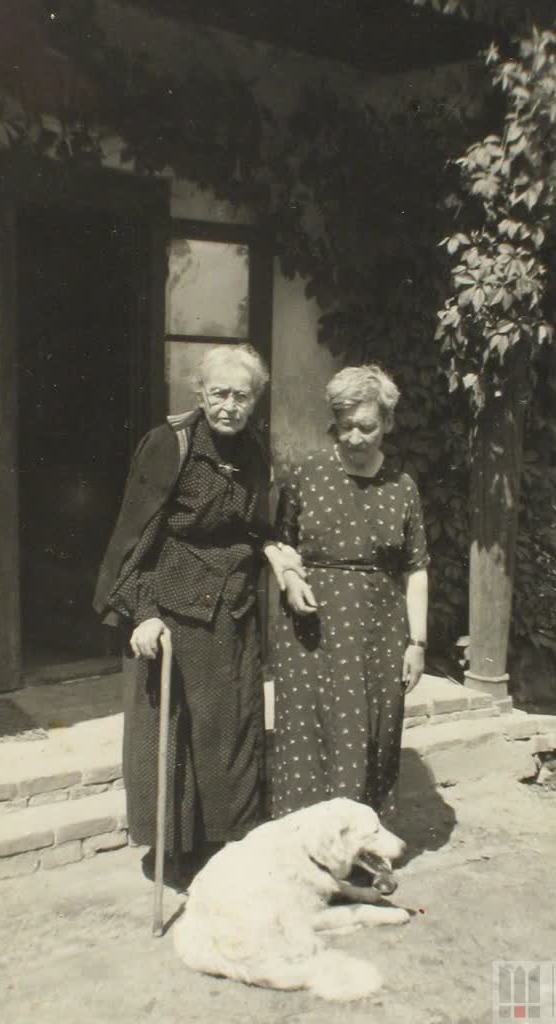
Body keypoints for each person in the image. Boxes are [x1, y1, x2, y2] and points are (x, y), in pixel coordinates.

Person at [93, 343, 302, 884]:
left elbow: (257, 526)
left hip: (232, 609)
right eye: (219, 393)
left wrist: (275, 552)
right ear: (201, 393)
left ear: (255, 399)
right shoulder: (170, 444)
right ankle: (174, 852)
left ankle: (226, 847)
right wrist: (142, 613)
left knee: (231, 729)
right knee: (172, 734)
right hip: (169, 609)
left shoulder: (254, 451)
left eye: (241, 396)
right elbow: (135, 535)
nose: (229, 405)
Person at [271, 364, 430, 819]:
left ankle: (359, 842)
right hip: (311, 631)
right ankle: (304, 843)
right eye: (345, 427)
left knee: (369, 733)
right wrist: (290, 577)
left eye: (366, 427)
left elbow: (416, 569)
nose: (355, 438)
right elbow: (279, 542)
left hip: (378, 633)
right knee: (307, 734)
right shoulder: (307, 473)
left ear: (388, 423)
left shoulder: (402, 488)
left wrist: (417, 643)